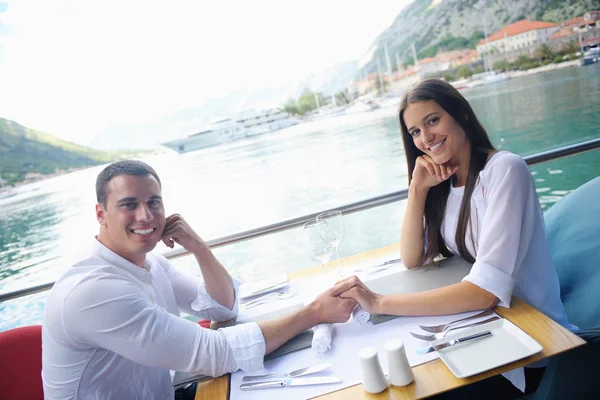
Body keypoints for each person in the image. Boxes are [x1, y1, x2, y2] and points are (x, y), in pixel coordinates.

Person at [42, 160, 357, 400]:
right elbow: (214, 354)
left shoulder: (148, 261)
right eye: (129, 204)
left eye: (153, 202)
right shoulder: (93, 291)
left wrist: (197, 246)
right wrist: (314, 313)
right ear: (101, 213)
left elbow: (223, 308)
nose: (145, 216)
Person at [339, 79, 574, 398]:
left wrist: (380, 303)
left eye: (433, 120)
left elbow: (484, 292)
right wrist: (417, 190)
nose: (425, 137)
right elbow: (411, 258)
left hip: (529, 340)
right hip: (487, 326)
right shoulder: (444, 182)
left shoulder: (504, 170)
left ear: (460, 113)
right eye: (415, 132)